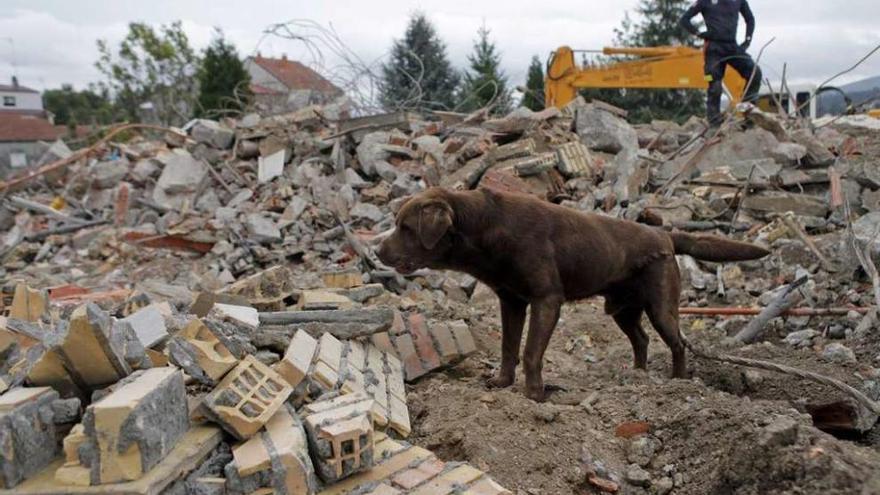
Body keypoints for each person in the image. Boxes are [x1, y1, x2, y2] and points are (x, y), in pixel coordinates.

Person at [680, 0, 762, 126]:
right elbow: (685, 20)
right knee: (714, 84)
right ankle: (714, 122)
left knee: (755, 73)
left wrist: (747, 41)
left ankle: (748, 116)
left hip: (732, 47)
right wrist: (700, 34)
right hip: (713, 49)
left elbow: (750, 18)